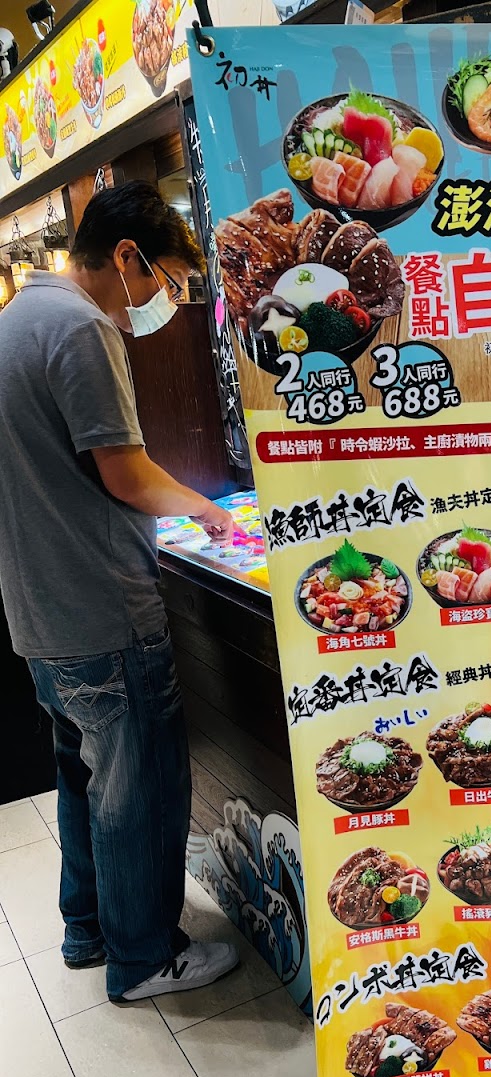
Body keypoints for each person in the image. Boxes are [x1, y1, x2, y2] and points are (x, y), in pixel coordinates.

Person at [0, 181, 240, 1002]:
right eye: (168, 282)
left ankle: (90, 927)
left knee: (84, 778)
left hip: (41, 611)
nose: (165, 302)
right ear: (128, 257)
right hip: (103, 609)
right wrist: (208, 509)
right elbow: (127, 473)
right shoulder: (82, 328)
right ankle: (143, 958)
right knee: (141, 789)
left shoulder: (19, 318)